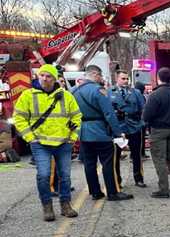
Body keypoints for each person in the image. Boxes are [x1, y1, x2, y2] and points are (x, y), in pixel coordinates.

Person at [12, 64, 82, 221]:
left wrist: (73, 136)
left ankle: (65, 204)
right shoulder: (28, 96)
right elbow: (20, 118)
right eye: (42, 75)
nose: (44, 78)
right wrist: (30, 138)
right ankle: (47, 205)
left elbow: (76, 117)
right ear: (38, 76)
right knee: (43, 175)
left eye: (48, 76)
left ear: (55, 78)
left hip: (63, 142)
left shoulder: (66, 96)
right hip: (40, 143)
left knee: (65, 176)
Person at [73, 65, 133, 201]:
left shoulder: (74, 91)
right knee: (108, 163)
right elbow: (109, 114)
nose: (100, 78)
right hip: (100, 131)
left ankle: (95, 192)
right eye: (100, 75)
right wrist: (118, 133)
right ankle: (113, 192)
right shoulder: (99, 90)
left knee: (89, 163)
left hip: (83, 131)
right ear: (94, 74)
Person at [142, 67, 170, 198]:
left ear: (158, 78)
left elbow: (146, 115)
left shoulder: (155, 95)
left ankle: (163, 190)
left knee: (159, 159)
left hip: (159, 130)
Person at [110, 70, 146, 188]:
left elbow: (143, 108)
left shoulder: (135, 92)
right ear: (117, 79)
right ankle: (117, 180)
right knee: (116, 156)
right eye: (123, 78)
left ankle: (138, 178)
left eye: (127, 79)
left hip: (134, 127)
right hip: (118, 128)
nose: (126, 81)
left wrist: (141, 122)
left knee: (136, 155)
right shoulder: (110, 92)